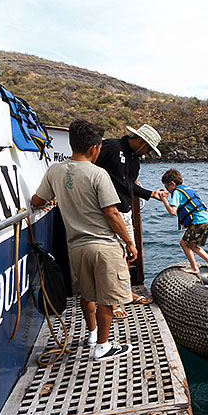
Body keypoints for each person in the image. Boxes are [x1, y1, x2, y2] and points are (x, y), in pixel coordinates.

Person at [30, 119, 135, 361]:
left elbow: (37, 200)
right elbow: (112, 213)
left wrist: (50, 201)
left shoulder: (54, 171)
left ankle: (92, 334)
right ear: (94, 148)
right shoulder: (98, 174)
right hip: (104, 246)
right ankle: (103, 346)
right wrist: (129, 242)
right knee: (107, 299)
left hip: (75, 247)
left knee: (87, 294)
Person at [94, 124, 165, 310]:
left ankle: (125, 292)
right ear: (141, 141)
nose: (147, 153)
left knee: (128, 255)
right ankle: (112, 300)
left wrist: (151, 194)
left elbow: (130, 187)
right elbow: (89, 169)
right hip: (105, 212)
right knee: (111, 257)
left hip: (125, 213)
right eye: (148, 148)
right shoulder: (111, 146)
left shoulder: (135, 161)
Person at [159, 168, 208, 277]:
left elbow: (172, 211)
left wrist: (164, 199)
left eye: (166, 186)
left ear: (172, 184)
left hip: (198, 221)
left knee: (184, 243)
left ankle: (196, 267)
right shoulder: (187, 189)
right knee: (191, 244)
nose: (167, 190)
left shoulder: (177, 192)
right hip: (206, 219)